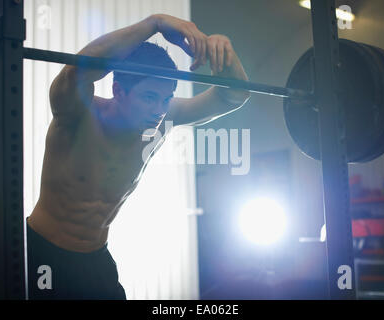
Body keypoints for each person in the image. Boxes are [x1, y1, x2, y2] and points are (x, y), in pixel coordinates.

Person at [26, 13, 250, 299]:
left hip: (94, 258)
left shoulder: (163, 117)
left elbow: (234, 96)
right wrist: (153, 24)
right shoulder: (77, 113)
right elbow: (78, 70)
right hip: (44, 254)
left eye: (166, 98)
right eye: (149, 98)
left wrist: (225, 55)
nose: (159, 109)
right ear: (119, 91)